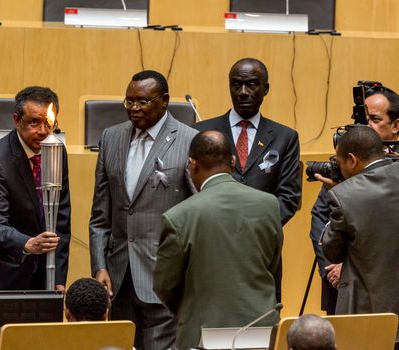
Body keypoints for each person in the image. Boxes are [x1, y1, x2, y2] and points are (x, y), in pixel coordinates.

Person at [89, 70, 198, 350]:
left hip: (164, 276)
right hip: (118, 277)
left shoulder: (189, 140)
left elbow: (199, 211)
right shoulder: (111, 137)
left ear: (164, 101)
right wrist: (99, 265)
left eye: (143, 102)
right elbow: (101, 214)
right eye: (129, 102)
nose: (134, 109)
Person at [153, 130, 282, 350]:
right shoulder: (269, 205)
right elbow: (272, 265)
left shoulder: (178, 217)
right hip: (259, 329)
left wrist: (191, 309)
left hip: (203, 333)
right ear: (233, 162)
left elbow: (165, 285)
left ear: (192, 164)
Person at [193, 57, 300, 303]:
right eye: (236, 84)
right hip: (212, 245)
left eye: (251, 84)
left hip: (260, 249)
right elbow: (192, 190)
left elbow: (288, 198)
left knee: (260, 324)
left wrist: (250, 229)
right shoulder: (202, 132)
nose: (243, 92)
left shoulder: (285, 137)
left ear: (266, 89)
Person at [0, 86, 71, 292]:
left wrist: (58, 276)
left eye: (48, 123)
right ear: (16, 120)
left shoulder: (56, 151)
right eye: (33, 123)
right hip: (0, 273)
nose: (42, 131)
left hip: (41, 272)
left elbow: (62, 218)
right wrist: (27, 243)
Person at [310, 86, 399, 314]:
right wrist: (335, 269)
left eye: (375, 119)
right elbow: (319, 218)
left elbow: (334, 244)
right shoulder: (341, 180)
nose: (366, 125)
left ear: (396, 125)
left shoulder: (344, 190)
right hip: (348, 288)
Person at [320, 126, 399, 346]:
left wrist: (340, 193)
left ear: (352, 160)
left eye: (340, 162)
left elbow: (332, 250)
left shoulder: (344, 195)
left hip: (369, 313)